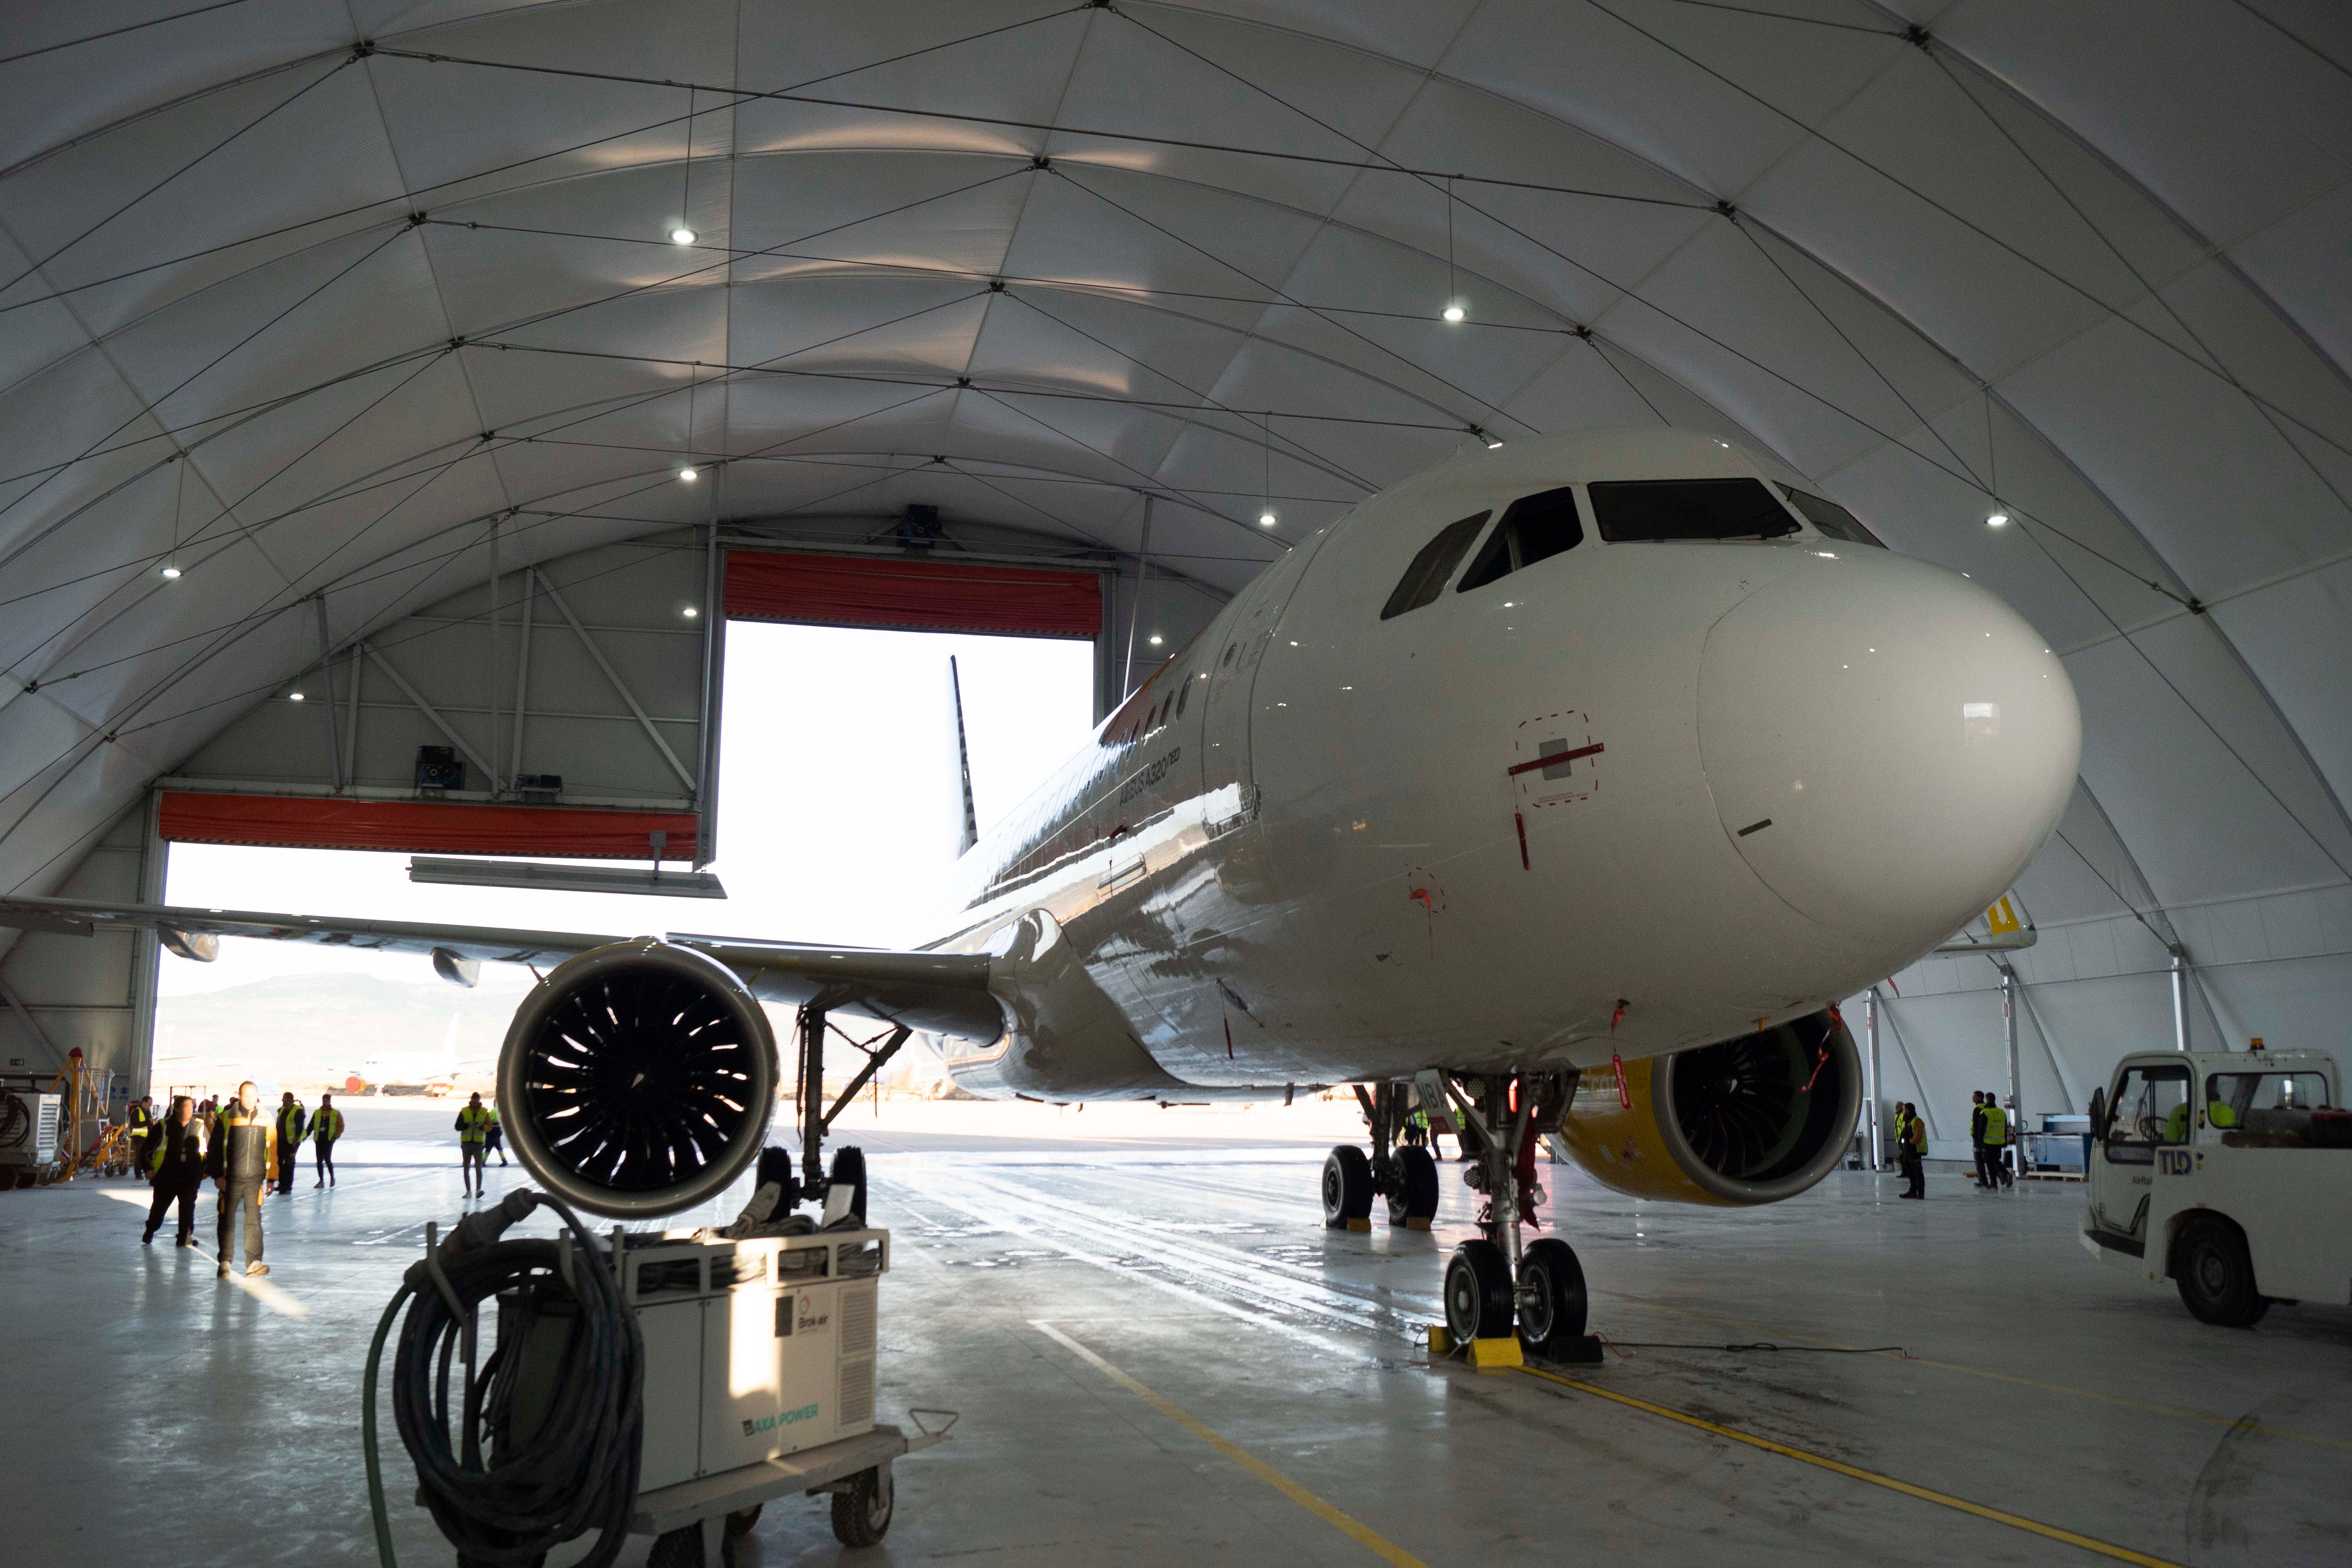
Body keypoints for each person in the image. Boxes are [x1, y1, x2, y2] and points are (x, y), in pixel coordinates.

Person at [206, 1082, 275, 1278]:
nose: (249, 1100)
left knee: (254, 1222)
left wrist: (272, 1178)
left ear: (257, 1096)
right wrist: (218, 1175)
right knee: (227, 1221)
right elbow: (215, 1149)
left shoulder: (266, 1118)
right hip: (231, 1180)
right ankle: (225, 1262)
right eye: (246, 1096)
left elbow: (273, 1149)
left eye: (253, 1096)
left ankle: (253, 1263)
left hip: (255, 1180)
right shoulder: (226, 1118)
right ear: (239, 1096)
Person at [141, 1096, 205, 1247]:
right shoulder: (164, 1126)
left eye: (192, 1107)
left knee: (188, 1207)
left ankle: (185, 1236)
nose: (190, 1110)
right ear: (176, 1109)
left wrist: (206, 1169)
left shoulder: (199, 1127)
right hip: (167, 1173)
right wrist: (148, 1169)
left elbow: (207, 1150)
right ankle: (151, 1230)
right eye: (186, 1107)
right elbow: (146, 1150)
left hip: (190, 1174)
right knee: (160, 1207)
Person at [455, 1093, 493, 1199]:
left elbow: (489, 1127)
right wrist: (467, 1125)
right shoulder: (464, 1111)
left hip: (478, 1144)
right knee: (466, 1168)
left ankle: (478, 1191)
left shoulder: (484, 1112)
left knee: (478, 1169)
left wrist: (481, 1127)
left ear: (479, 1100)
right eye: (474, 1100)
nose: (475, 1101)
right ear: (471, 1100)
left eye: (477, 1100)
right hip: (467, 1144)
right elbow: (457, 1126)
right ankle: (468, 1192)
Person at [274, 1092, 307, 1196]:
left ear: (290, 1100)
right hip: (281, 1141)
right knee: (280, 1163)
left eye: (285, 1100)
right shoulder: (282, 1110)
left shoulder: (298, 1112)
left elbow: (299, 1130)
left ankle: (288, 1186)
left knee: (289, 1164)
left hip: (292, 1142)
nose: (283, 1101)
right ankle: (282, 1184)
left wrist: (293, 1148)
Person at [311, 1093, 344, 1187]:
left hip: (329, 1140)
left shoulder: (336, 1113)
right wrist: (305, 1135)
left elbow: (341, 1126)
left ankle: (332, 1178)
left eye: (327, 1100)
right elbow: (311, 1125)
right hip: (319, 1140)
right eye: (324, 1100)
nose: (325, 1102)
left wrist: (335, 1137)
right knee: (319, 1161)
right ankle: (321, 1181)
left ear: (330, 1101)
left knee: (327, 1160)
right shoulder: (317, 1113)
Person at [1897, 1101, 1926, 1199]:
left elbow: (1919, 1136)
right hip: (1908, 1152)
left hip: (1915, 1152)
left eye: (1905, 1110)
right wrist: (1902, 1145)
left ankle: (1920, 1194)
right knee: (1911, 1173)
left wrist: (1910, 1143)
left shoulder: (1917, 1121)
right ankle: (1912, 1192)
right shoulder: (1906, 1122)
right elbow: (1903, 1135)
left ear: (1909, 1111)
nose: (1903, 1112)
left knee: (1918, 1174)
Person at [1982, 1091, 2011, 1188]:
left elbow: (1981, 1130)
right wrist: (2005, 1142)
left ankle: (1996, 1182)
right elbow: (2005, 1128)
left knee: (1990, 1163)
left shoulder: (1985, 1113)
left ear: (1986, 1101)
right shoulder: (2002, 1112)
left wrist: (1979, 1142)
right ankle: (2003, 1176)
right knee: (1996, 1161)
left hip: (1988, 1142)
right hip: (2000, 1142)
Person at [1968, 1091, 1993, 1190]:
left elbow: (1975, 1125)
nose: (1973, 1098)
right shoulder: (1987, 1107)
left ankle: (1983, 1181)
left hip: (1978, 1139)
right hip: (1987, 1138)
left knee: (1978, 1160)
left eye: (1974, 1097)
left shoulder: (1977, 1108)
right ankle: (2000, 1175)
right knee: (1988, 1159)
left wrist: (1975, 1136)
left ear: (1980, 1097)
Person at [127, 1095, 156, 1175]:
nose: (150, 1106)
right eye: (149, 1104)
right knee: (140, 1156)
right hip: (140, 1138)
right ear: (144, 1103)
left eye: (151, 1104)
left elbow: (151, 1124)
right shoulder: (137, 1112)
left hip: (148, 1138)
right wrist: (148, 1122)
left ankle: (146, 1171)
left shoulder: (148, 1112)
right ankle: (138, 1173)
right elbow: (136, 1125)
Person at [483, 1100, 508, 1167]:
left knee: (488, 1149)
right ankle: (504, 1161)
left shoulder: (492, 1112)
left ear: (494, 1104)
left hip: (491, 1133)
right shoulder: (501, 1112)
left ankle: (483, 1162)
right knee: (499, 1148)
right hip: (498, 1133)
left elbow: (487, 1120)